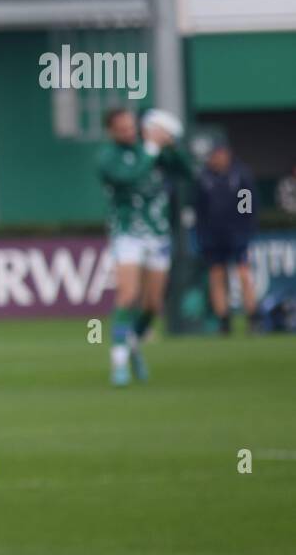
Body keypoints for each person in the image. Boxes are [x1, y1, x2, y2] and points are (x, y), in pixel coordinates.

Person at [96, 107, 192, 386]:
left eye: (131, 126)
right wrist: (152, 147)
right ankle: (118, 361)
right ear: (111, 131)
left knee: (153, 303)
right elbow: (131, 177)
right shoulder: (107, 157)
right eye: (122, 128)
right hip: (128, 233)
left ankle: (134, 343)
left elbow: (188, 172)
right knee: (128, 295)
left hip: (158, 234)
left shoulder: (153, 151)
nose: (129, 131)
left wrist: (172, 145)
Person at [195, 142, 258, 333]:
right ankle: (223, 319)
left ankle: (252, 317)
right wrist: (202, 234)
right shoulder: (203, 178)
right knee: (216, 275)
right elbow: (199, 209)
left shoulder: (240, 175)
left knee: (243, 273)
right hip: (213, 236)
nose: (218, 159)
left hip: (237, 234)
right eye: (215, 155)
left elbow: (247, 205)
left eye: (222, 154)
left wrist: (244, 230)